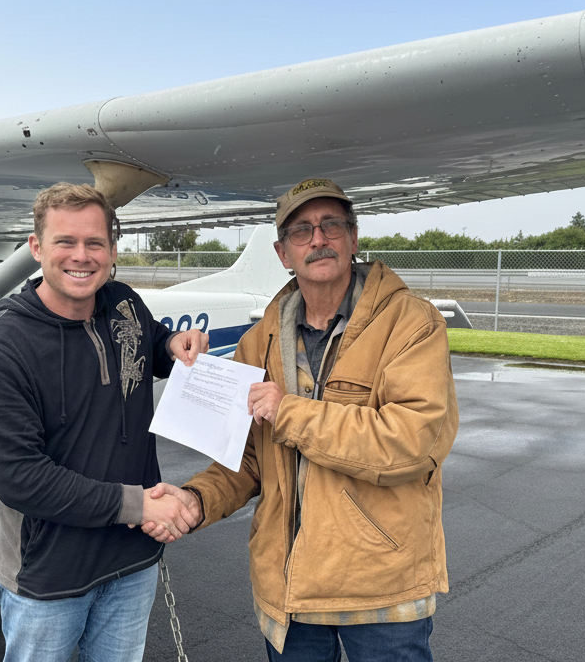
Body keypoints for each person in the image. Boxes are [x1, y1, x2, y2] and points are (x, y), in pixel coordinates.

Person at [148, 178, 459, 661]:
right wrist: (195, 500)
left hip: (380, 592)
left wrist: (289, 411)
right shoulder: (262, 339)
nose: (318, 239)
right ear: (282, 253)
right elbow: (251, 459)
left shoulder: (411, 323)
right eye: (301, 231)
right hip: (289, 593)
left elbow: (411, 444)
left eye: (331, 225)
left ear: (353, 238)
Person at [0, 182, 205, 662]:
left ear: (112, 251)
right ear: (36, 248)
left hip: (132, 560)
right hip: (47, 577)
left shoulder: (123, 303)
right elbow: (21, 480)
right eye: (65, 242)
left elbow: (148, 342)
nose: (82, 256)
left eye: (95, 243)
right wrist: (141, 505)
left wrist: (173, 345)